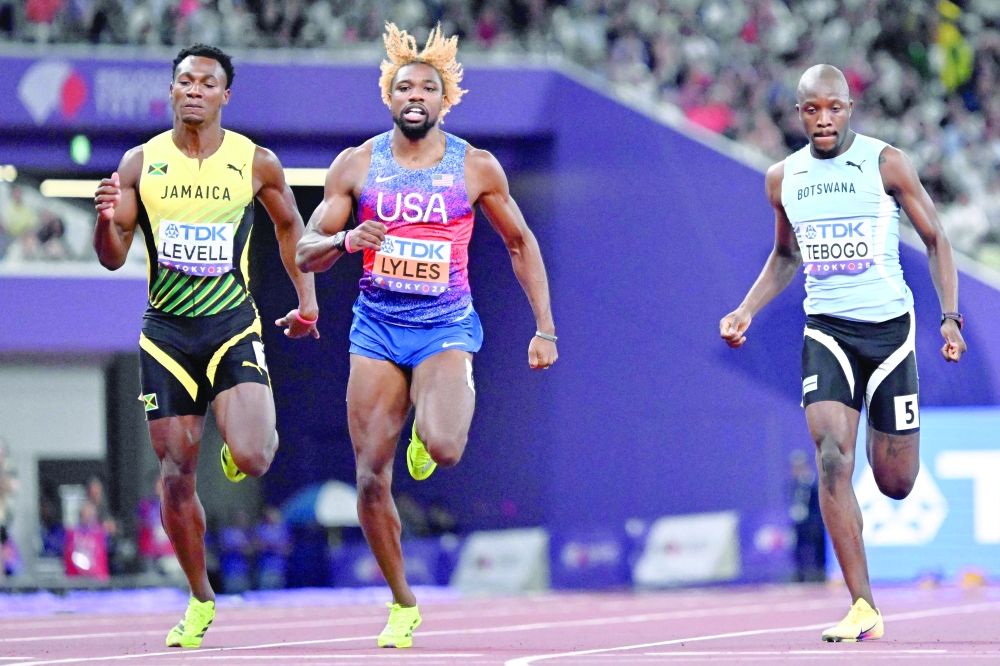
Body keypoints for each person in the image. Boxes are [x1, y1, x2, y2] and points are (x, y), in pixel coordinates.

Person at [296, 23, 558, 648]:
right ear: (389, 97)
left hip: (444, 327)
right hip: (378, 330)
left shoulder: (476, 166)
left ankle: (425, 425)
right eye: (404, 86)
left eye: (428, 88)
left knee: (443, 448)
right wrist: (343, 240)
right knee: (368, 478)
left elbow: (520, 243)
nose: (416, 95)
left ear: (446, 101)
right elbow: (305, 251)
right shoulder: (357, 165)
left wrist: (544, 327)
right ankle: (402, 602)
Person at [720, 64, 966, 642]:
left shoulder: (886, 163)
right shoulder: (783, 178)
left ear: (849, 107)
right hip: (826, 331)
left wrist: (949, 318)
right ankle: (863, 605)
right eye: (812, 110)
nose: (824, 119)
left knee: (895, 483)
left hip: (889, 335)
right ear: (799, 114)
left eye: (833, 108)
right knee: (832, 456)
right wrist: (746, 309)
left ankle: (895, 449)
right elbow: (786, 257)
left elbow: (937, 240)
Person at [92, 43, 319, 648]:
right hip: (166, 334)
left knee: (254, 458)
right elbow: (113, 257)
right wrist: (104, 218)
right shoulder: (141, 163)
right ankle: (198, 597)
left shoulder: (254, 162)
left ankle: (235, 445)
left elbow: (290, 224)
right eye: (184, 80)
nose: (194, 89)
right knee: (173, 475)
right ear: (171, 91)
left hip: (230, 325)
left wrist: (307, 298)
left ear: (225, 95)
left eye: (206, 82)